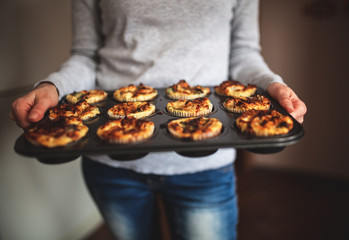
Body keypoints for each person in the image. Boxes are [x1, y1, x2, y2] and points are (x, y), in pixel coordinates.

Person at [9, 0, 307, 239]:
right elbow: (86, 55)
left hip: (205, 165)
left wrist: (272, 84)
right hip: (112, 162)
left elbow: (244, 54)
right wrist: (52, 86)